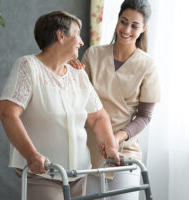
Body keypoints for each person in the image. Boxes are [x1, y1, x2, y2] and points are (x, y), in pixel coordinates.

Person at [0, 11, 120, 200]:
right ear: (61, 36)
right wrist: (31, 155)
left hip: (79, 173)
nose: (81, 41)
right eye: (77, 34)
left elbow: (98, 117)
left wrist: (110, 146)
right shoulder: (28, 67)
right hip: (43, 173)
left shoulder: (77, 74)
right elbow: (6, 113)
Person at [70, 0, 161, 199]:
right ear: (118, 20)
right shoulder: (94, 55)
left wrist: (116, 137)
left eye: (135, 25)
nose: (127, 29)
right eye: (123, 21)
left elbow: (144, 116)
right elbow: (79, 100)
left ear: (143, 28)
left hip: (124, 153)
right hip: (91, 151)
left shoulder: (148, 65)